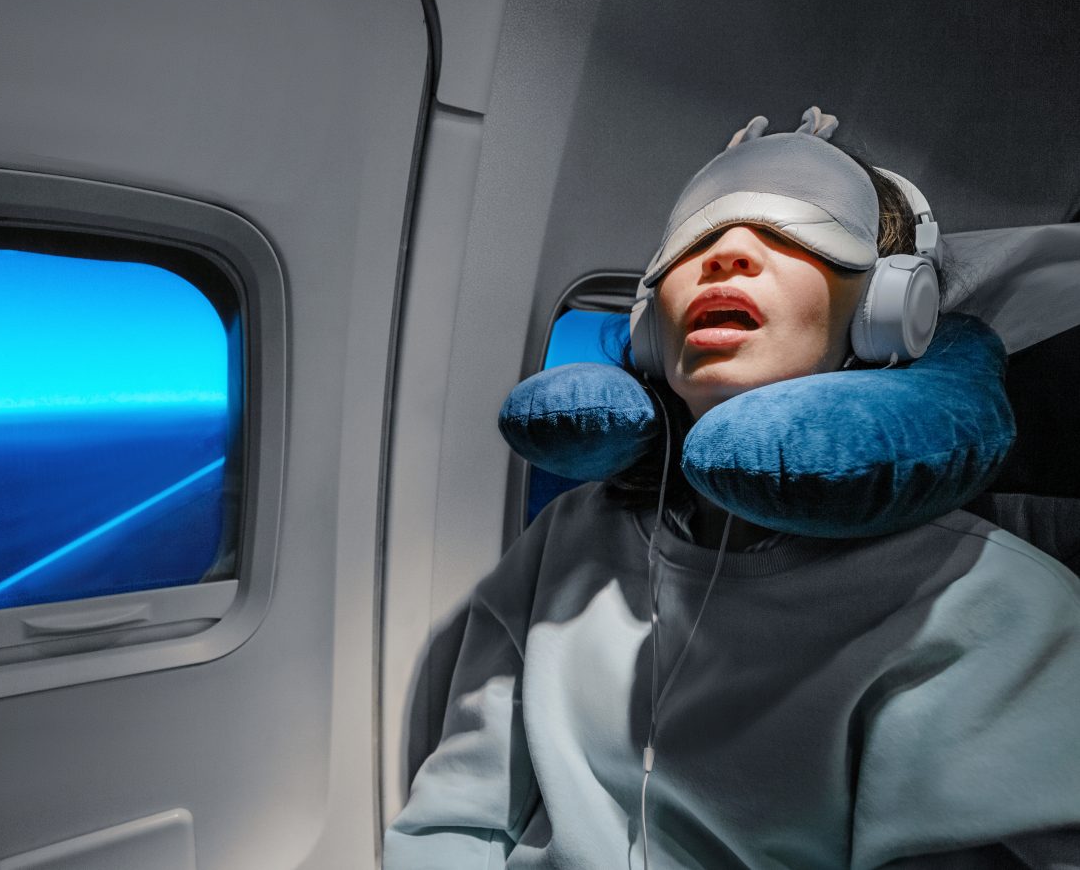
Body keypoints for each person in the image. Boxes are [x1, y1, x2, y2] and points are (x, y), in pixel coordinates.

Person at [382, 109, 1080, 869]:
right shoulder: (571, 537)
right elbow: (454, 823)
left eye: (796, 228)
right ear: (651, 319)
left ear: (890, 307)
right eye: (698, 236)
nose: (730, 254)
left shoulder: (987, 604)